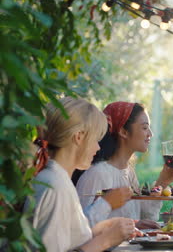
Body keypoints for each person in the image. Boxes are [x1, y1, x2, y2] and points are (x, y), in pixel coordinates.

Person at [26, 97, 135, 252]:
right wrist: (105, 240)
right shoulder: (55, 186)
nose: (98, 148)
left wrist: (96, 229)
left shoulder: (56, 179)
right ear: (79, 137)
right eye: (96, 139)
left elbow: (64, 241)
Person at [76, 101, 173, 229]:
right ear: (123, 132)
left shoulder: (128, 172)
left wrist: (162, 182)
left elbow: (146, 218)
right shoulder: (96, 175)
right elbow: (81, 228)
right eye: (144, 128)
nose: (150, 134)